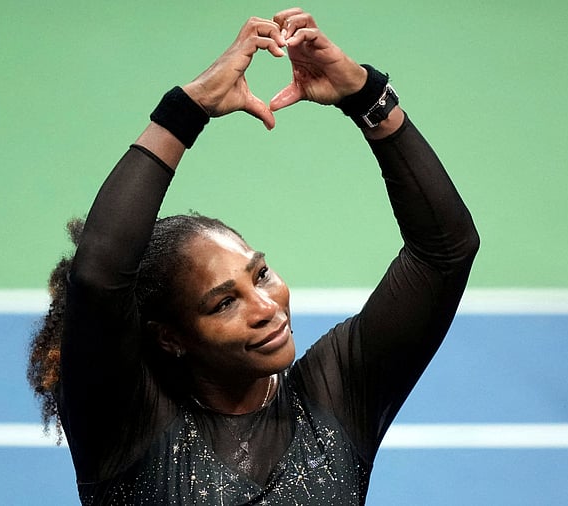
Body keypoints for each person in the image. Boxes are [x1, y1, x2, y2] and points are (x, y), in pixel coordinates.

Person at [27, 8, 479, 505]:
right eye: (224, 303)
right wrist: (187, 108)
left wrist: (367, 97)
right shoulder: (125, 424)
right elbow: (98, 277)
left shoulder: (337, 394)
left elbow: (445, 251)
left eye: (260, 275)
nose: (266, 308)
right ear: (172, 338)